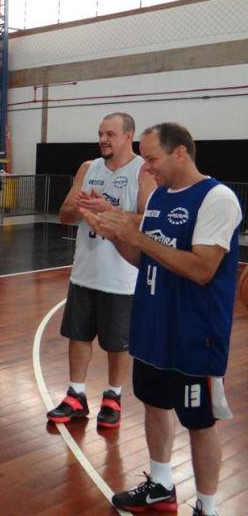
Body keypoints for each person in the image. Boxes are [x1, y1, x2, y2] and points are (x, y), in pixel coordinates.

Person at [82, 123, 242, 516]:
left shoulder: (217, 198)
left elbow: (202, 268)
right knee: (154, 404)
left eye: (153, 158)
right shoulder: (158, 197)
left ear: (180, 153)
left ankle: (207, 507)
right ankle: (160, 485)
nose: (148, 167)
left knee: (199, 423)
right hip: (151, 326)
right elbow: (146, 259)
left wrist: (136, 236)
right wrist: (114, 233)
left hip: (195, 334)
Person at [47, 112, 155, 429]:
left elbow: (149, 219)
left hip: (122, 275)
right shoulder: (88, 168)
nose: (103, 140)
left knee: (118, 343)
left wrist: (110, 211)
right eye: (100, 134)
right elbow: (64, 214)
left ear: (128, 136)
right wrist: (83, 208)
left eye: (110, 134)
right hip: (85, 271)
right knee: (77, 335)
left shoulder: (142, 170)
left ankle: (113, 396)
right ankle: (75, 395)